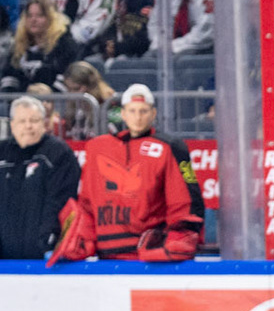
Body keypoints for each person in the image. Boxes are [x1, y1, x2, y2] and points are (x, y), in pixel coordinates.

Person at [51, 84, 202, 262]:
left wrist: (180, 235)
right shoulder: (98, 148)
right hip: (106, 253)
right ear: (123, 114)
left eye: (143, 111)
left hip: (149, 253)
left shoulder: (170, 147)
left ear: (153, 114)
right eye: (132, 111)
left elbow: (184, 200)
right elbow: (87, 202)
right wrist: (82, 238)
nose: (137, 117)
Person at [0, 95, 80, 259]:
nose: (28, 126)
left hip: (42, 255)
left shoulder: (59, 153)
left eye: (34, 120)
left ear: (44, 123)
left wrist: (48, 242)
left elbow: (59, 202)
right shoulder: (2, 152)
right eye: (22, 121)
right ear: (12, 125)